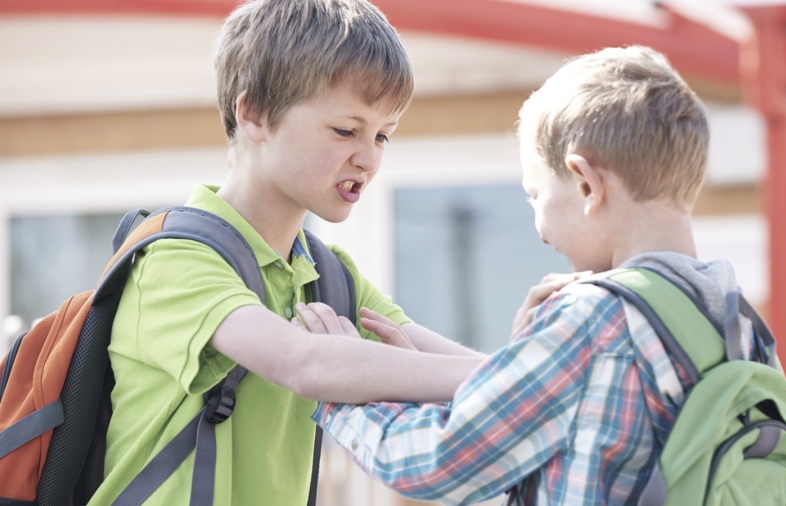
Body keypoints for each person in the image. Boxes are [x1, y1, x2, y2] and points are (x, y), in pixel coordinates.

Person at [88, 1, 501, 504]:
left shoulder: (327, 276)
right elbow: (305, 364)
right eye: (346, 130)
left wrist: (534, 372)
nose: (369, 158)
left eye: (383, 135)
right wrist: (528, 376)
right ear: (255, 113)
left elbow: (448, 363)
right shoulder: (175, 258)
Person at [308, 45, 751, 505]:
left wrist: (341, 388)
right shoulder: (733, 319)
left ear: (586, 185)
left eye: (535, 196)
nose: (539, 232)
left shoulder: (595, 319)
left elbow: (438, 461)